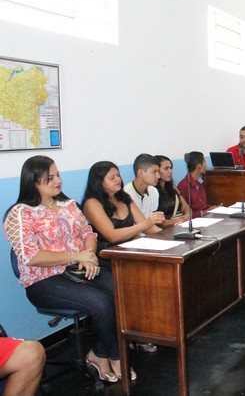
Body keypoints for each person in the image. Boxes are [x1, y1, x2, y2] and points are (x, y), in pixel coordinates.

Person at [4, 156, 131, 382]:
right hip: (44, 281)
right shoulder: (20, 214)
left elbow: (88, 233)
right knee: (101, 303)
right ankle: (116, 357)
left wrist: (89, 255)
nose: (58, 181)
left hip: (79, 269)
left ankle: (99, 354)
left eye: (58, 175)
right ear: (34, 182)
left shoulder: (69, 205)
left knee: (121, 290)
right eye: (50, 178)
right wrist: (77, 255)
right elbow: (31, 256)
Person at [82, 161, 163, 355]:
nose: (117, 180)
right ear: (99, 182)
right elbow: (112, 235)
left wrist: (174, 235)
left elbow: (149, 227)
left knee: (156, 276)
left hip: (129, 254)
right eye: (112, 177)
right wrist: (145, 225)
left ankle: (144, 330)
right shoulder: (92, 203)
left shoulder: (124, 198)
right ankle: (125, 337)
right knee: (129, 286)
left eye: (118, 175)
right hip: (106, 259)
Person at [155, 155, 190, 227]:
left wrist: (187, 216)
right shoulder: (152, 192)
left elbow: (186, 208)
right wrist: (179, 220)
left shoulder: (173, 188)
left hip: (179, 225)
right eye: (166, 168)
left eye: (170, 168)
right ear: (156, 171)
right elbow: (157, 222)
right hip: (164, 230)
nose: (170, 171)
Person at [177, 151, 211, 218]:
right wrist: (203, 213)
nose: (206, 165)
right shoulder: (183, 185)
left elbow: (204, 205)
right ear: (199, 166)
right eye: (205, 162)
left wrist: (214, 208)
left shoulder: (200, 182)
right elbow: (184, 213)